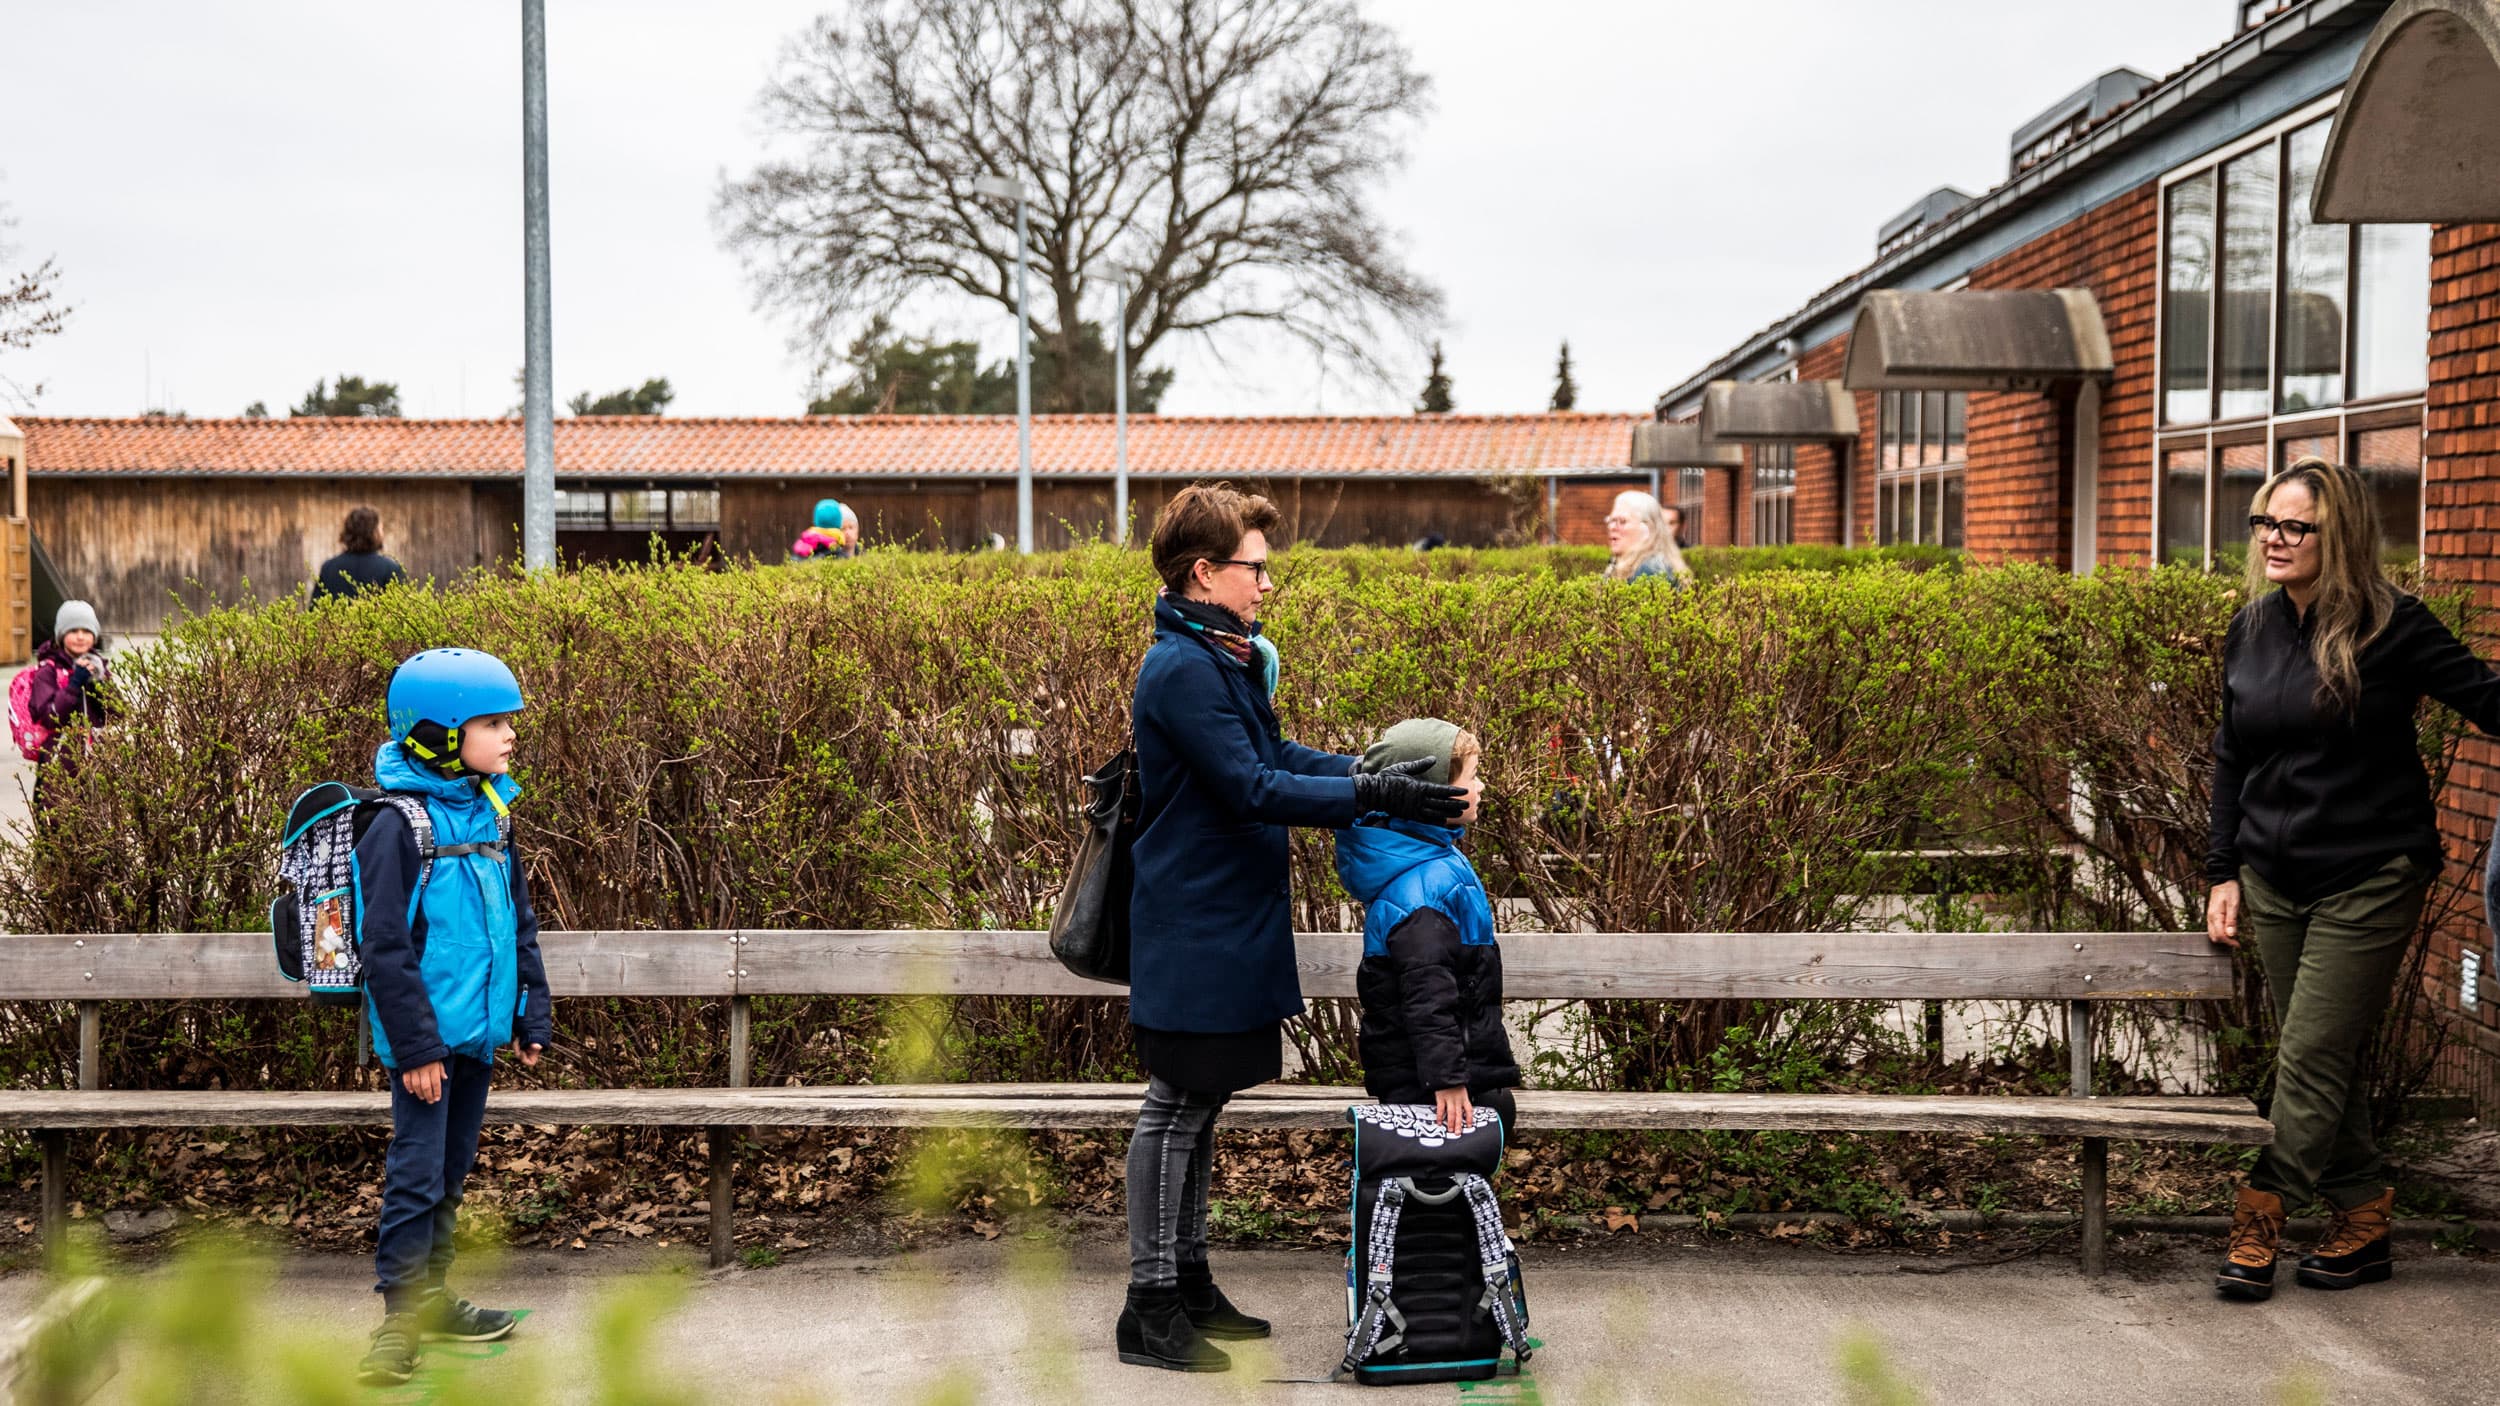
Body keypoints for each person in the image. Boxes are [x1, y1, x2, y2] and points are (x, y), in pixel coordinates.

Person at [1120, 484, 1465, 1374]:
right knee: (1175, 1108)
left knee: (1203, 1105)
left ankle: (1188, 1280)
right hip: (1193, 923)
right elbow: (1252, 788)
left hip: (1224, 921)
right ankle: (1149, 1305)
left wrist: (1368, 769)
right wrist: (1375, 792)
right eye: (1255, 567)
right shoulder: (1182, 669)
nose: (1268, 583)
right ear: (1206, 572)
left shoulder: (1220, 657)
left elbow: (1276, 759)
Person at [2205, 457, 2500, 1302]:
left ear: (2340, 537)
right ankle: (2364, 1217)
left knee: (2307, 1055)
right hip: (2273, 876)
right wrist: (2225, 870)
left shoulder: (2394, 627)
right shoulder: (2253, 626)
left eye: (2295, 526)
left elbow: (2486, 700)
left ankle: (2260, 1213)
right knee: (2322, 1058)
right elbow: (2233, 757)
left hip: (2370, 873)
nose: (2274, 539)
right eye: (2266, 522)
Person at [355, 649, 554, 1386]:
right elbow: (383, 947)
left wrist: (531, 1010)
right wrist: (414, 1050)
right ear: (439, 733)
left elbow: (518, 923)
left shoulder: (490, 810)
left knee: (452, 1170)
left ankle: (434, 1298)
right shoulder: (396, 825)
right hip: (426, 1045)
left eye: (509, 723)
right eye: (493, 723)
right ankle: (399, 1321)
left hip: (477, 1033)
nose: (509, 736)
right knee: (415, 1173)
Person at [1336, 718, 1521, 1136]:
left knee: (1495, 1113)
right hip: (1426, 1082)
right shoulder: (1420, 889)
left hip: (1436, 1071)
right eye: (1472, 777)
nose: (1481, 787)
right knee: (1486, 1123)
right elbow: (1426, 993)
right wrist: (1448, 1080)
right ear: (1435, 794)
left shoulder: (1430, 859)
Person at [23, 600, 111, 815]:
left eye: (86, 631)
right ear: (61, 635)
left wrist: (99, 686)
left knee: (97, 830)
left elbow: (117, 712)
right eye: (73, 630)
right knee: (57, 829)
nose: (80, 636)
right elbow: (49, 717)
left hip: (94, 761)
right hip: (58, 763)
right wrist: (73, 685)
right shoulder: (48, 672)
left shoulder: (98, 667)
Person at [310, 507, 407, 603]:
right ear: (374, 533)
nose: (383, 533)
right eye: (381, 529)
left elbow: (315, 610)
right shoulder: (390, 569)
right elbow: (401, 611)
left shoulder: (329, 568)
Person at [1603, 490, 1693, 586]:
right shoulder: (1634, 564)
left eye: (1622, 521)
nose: (1612, 527)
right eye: (1611, 520)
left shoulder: (1649, 570)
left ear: (1647, 529)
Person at [789, 499, 857, 562]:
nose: (847, 533)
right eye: (843, 528)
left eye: (851, 527)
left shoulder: (802, 545)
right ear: (838, 524)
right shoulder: (837, 554)